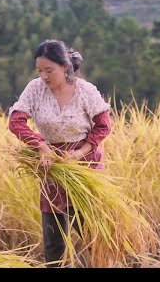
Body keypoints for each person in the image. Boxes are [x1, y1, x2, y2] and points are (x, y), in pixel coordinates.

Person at [8, 39, 112, 267]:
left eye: (49, 70)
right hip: (53, 166)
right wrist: (41, 146)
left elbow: (104, 126)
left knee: (91, 232)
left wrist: (79, 153)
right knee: (54, 238)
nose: (44, 76)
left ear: (65, 67)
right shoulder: (35, 89)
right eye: (39, 70)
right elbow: (16, 121)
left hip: (84, 168)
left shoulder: (85, 91)